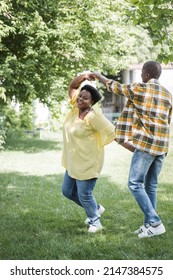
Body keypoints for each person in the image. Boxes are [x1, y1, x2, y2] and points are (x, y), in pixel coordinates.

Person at [89, 61, 172, 238]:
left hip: (147, 145)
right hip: (162, 146)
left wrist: (99, 76)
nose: (141, 76)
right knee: (151, 185)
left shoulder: (140, 89)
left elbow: (115, 87)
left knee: (134, 183)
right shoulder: (168, 94)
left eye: (142, 73)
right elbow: (168, 121)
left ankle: (155, 222)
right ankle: (149, 225)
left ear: (147, 75)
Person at [61, 73, 116, 233]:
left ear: (92, 102)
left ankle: (95, 222)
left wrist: (134, 148)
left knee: (84, 194)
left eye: (85, 98)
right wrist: (84, 76)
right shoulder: (75, 109)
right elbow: (72, 86)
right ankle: (96, 208)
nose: (80, 99)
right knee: (67, 191)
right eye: (80, 96)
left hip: (88, 162)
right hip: (73, 161)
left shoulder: (93, 117)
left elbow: (112, 131)